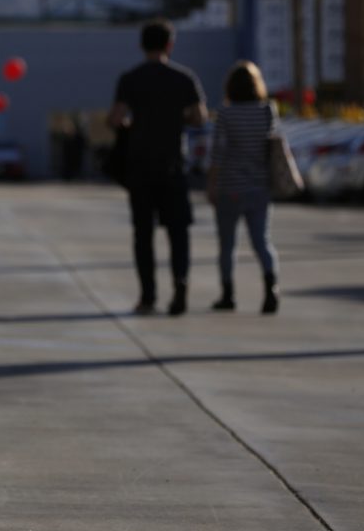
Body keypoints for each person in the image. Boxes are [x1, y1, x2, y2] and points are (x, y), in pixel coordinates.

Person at [108, 19, 208, 316]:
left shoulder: (131, 78)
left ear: (142, 45)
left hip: (139, 166)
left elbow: (115, 118)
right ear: (169, 44)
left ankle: (148, 296)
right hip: (172, 165)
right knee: (178, 232)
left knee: (143, 234)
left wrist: (131, 124)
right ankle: (180, 286)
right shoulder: (184, 78)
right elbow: (200, 118)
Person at [206, 61, 280, 314]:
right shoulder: (268, 110)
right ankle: (271, 288)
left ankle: (228, 294)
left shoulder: (226, 113)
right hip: (260, 187)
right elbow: (273, 147)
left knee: (227, 245)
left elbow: (218, 153)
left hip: (230, 187)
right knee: (262, 241)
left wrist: (211, 184)